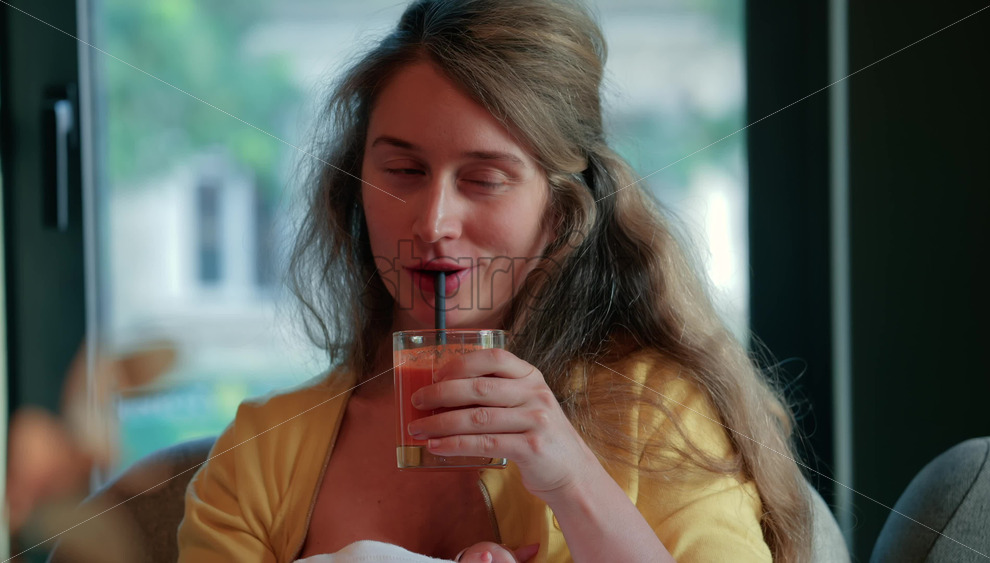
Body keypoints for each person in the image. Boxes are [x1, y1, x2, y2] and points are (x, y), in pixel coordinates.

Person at [177, 0, 813, 561]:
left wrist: (571, 479)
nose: (434, 222)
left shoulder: (657, 415)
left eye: (484, 179)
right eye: (401, 170)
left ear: (562, 212)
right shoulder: (260, 454)